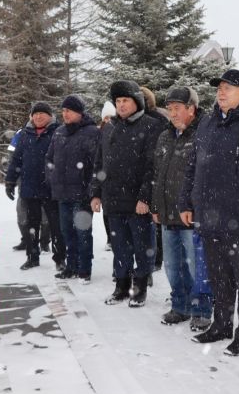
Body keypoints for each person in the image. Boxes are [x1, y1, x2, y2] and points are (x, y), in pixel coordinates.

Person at [179, 69, 239, 356]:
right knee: (218, 277)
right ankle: (221, 324)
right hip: (208, 215)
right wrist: (187, 203)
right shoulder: (208, 123)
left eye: (229, 87)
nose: (221, 92)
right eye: (219, 87)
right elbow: (193, 166)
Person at [90, 80, 164, 307]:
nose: (121, 105)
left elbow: (152, 166)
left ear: (137, 102)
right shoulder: (110, 127)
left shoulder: (151, 126)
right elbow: (99, 163)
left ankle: (139, 288)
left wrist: (145, 197)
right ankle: (121, 287)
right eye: (118, 101)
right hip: (113, 199)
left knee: (143, 248)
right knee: (120, 247)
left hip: (136, 202)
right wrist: (95, 192)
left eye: (126, 101)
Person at [152, 87, 213, 327]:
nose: (173, 113)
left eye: (178, 108)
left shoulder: (203, 134)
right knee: (173, 267)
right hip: (167, 214)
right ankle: (180, 306)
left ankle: (202, 309)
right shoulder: (165, 135)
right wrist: (156, 205)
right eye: (170, 108)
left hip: (191, 215)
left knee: (197, 267)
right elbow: (158, 173)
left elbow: (206, 176)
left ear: (191, 109)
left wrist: (197, 207)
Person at [46, 95, 100, 282]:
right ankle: (71, 266)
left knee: (83, 233)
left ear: (79, 112)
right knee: (67, 232)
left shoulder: (91, 132)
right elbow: (49, 159)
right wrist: (51, 178)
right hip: (62, 194)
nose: (65, 114)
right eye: (63, 110)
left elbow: (96, 164)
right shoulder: (59, 132)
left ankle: (84, 269)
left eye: (69, 110)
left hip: (82, 194)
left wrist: (92, 190)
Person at [5, 102, 64, 271]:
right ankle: (32, 257)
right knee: (32, 224)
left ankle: (60, 259)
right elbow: (16, 160)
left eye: (42, 114)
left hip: (51, 188)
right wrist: (10, 181)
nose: (38, 117)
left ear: (50, 116)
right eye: (35, 114)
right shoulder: (24, 134)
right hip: (30, 188)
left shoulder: (58, 132)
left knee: (56, 225)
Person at [9, 126, 52, 253]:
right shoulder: (21, 133)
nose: (37, 117)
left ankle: (44, 242)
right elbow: (12, 155)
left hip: (45, 181)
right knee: (22, 212)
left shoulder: (52, 132)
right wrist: (12, 177)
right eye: (34, 114)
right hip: (25, 181)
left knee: (45, 215)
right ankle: (26, 240)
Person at [141, 85, 168, 275]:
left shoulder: (157, 121)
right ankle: (151, 259)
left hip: (155, 176)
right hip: (145, 177)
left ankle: (156, 258)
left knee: (155, 222)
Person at [99, 101, 116, 252]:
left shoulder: (117, 131)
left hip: (114, 178)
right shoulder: (99, 133)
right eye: (106, 117)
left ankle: (114, 237)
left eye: (111, 117)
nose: (108, 120)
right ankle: (110, 238)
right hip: (104, 178)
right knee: (106, 212)